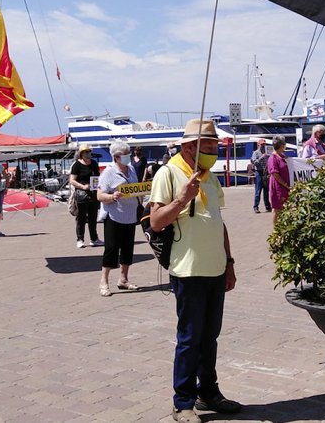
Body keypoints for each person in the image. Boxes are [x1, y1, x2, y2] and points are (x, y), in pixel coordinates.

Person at [149, 119, 240, 423]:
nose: (214, 151)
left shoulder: (210, 178)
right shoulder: (168, 173)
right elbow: (156, 221)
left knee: (209, 337)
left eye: (215, 146)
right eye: (209, 147)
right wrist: (182, 198)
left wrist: (229, 263)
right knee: (189, 339)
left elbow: (218, 222)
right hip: (188, 271)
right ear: (190, 147)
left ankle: (209, 392)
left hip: (215, 268)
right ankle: (182, 402)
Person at [96, 141, 140, 297]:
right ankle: (104, 281)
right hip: (114, 216)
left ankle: (123, 279)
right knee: (111, 249)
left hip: (130, 215)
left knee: (128, 248)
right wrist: (112, 196)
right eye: (126, 154)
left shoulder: (132, 169)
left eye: (129, 152)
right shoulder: (108, 173)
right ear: (116, 157)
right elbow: (99, 195)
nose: (129, 156)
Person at [69, 144, 103, 248]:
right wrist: (83, 186)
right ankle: (80, 239)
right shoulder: (76, 165)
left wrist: (97, 186)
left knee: (93, 218)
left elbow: (97, 177)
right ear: (81, 154)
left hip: (93, 194)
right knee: (81, 218)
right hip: (81, 194)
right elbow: (72, 180)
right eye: (86, 152)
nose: (89, 153)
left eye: (89, 151)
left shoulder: (94, 163)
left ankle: (94, 239)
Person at [267, 135, 291, 224]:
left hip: (285, 185)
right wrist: (284, 184)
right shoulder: (273, 158)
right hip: (278, 186)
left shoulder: (283, 155)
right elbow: (275, 173)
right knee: (277, 209)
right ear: (282, 145)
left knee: (285, 206)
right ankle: (276, 231)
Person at [249, 139, 271, 213]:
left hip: (266, 173)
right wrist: (262, 157)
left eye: (264, 144)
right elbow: (254, 162)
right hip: (259, 172)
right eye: (261, 144)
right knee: (258, 191)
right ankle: (256, 206)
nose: (263, 146)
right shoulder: (255, 153)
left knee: (266, 191)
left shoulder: (267, 152)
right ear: (258, 145)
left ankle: (267, 206)